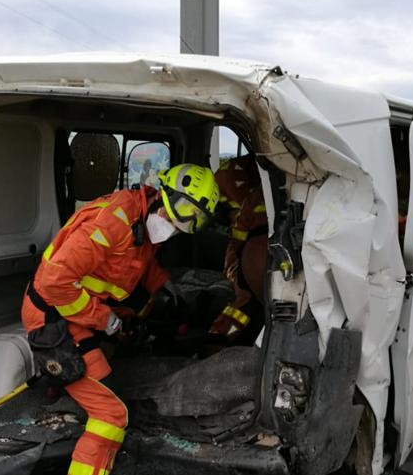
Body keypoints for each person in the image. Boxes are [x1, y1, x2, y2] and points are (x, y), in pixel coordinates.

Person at [21, 163, 220, 475]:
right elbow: (54, 283)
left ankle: (65, 388)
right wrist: (105, 320)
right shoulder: (113, 221)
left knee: (124, 345)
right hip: (53, 317)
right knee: (112, 415)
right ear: (162, 191)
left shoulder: (143, 219)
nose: (175, 225)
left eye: (190, 221)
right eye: (177, 212)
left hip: (77, 310)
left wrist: (161, 285)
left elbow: (139, 261)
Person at [209, 155, 268, 341]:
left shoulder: (250, 199)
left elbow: (238, 237)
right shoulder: (257, 189)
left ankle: (218, 341)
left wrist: (232, 267)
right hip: (257, 243)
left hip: (256, 249)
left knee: (244, 298)